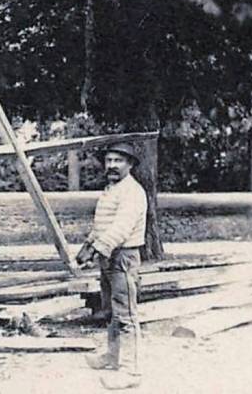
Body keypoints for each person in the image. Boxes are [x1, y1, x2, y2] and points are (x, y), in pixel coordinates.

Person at [75, 142, 147, 390]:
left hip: (123, 258)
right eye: (109, 160)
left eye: (119, 161)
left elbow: (121, 228)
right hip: (108, 257)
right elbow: (102, 225)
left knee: (126, 315)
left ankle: (131, 371)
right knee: (112, 312)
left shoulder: (133, 192)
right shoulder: (112, 189)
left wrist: (97, 249)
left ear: (130, 165)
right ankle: (112, 357)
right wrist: (87, 247)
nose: (112, 165)